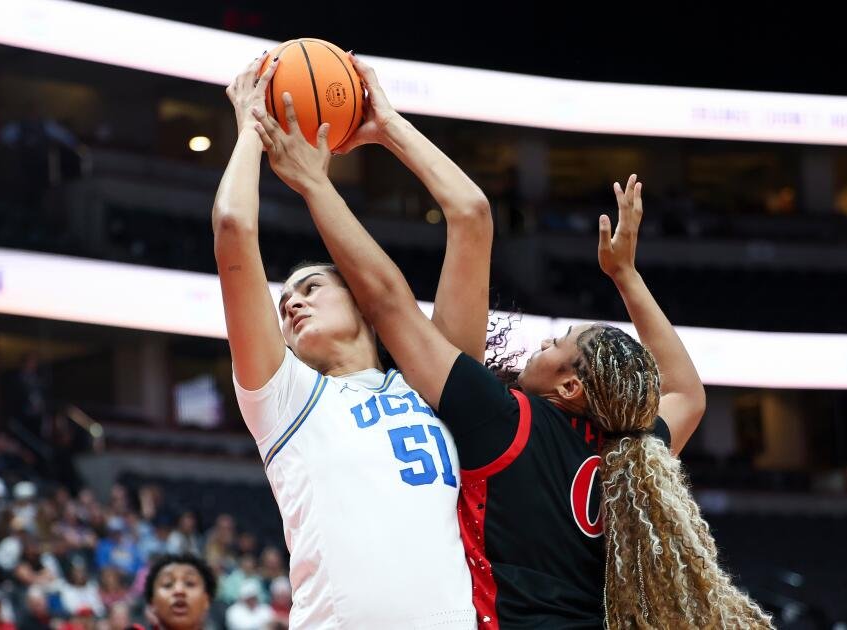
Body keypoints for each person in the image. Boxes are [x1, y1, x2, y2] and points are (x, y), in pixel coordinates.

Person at [253, 67, 772, 626]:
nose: (543, 341)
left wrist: (329, 173)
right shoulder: (630, 452)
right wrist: (624, 275)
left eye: (559, 342)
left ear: (571, 386)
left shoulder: (504, 422)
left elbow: (390, 299)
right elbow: (686, 393)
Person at [216, 53, 491, 627]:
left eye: (312, 287)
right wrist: (248, 129)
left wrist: (387, 125)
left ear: (364, 306)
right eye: (285, 299)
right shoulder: (283, 397)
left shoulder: (433, 381)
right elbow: (233, 228)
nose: (291, 302)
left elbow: (470, 215)